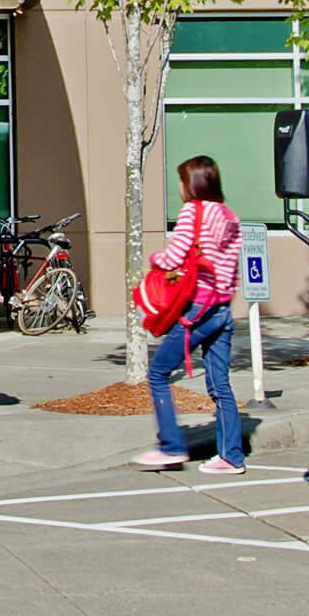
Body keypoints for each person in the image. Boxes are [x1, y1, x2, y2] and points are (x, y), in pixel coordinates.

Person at [134, 155, 246, 475]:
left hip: (197, 310)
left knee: (157, 373)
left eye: (182, 181)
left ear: (191, 184)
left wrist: (155, 258)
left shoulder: (193, 212)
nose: (180, 188)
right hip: (222, 309)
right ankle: (231, 456)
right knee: (220, 385)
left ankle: (171, 446)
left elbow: (173, 257)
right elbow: (227, 266)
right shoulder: (229, 216)